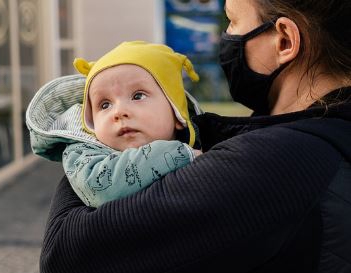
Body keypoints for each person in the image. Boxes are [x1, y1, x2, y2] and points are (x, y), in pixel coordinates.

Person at [38, 0, 351, 272]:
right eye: (105, 105)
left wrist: (85, 141)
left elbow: (66, 255)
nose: (226, 35)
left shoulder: (277, 161)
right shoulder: (313, 128)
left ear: (284, 41)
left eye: (233, 20)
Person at [31, 41, 202, 207]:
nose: (119, 112)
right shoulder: (82, 154)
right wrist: (179, 154)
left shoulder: (209, 141)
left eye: (138, 96)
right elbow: (101, 188)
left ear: (177, 115)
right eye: (105, 105)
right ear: (91, 122)